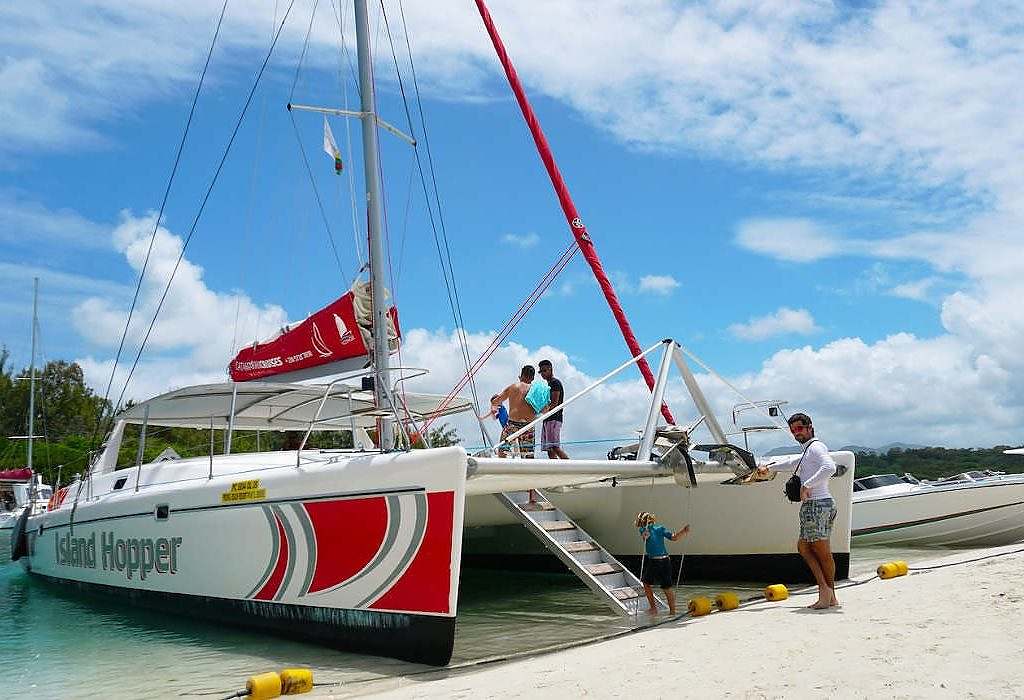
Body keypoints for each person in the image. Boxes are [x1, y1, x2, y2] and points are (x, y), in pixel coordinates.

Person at [757, 412, 839, 609]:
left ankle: (826, 592)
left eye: (799, 429)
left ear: (810, 427)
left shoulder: (816, 447)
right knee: (806, 548)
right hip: (819, 505)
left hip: (817, 505)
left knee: (821, 552)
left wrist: (807, 485)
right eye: (793, 430)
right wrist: (769, 467)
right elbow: (792, 463)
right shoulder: (808, 450)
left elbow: (830, 467)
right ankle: (829, 593)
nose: (796, 433)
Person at [635, 511, 690, 615]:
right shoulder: (660, 528)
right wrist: (683, 531)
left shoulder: (643, 529)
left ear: (641, 521)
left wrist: (645, 534)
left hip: (654, 561)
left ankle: (653, 608)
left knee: (646, 583)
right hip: (665, 560)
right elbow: (674, 537)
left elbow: (645, 538)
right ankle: (672, 612)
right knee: (667, 587)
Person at [491, 365, 538, 458]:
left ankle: (503, 471)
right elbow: (543, 407)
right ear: (533, 377)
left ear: (521, 375)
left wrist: (493, 402)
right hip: (528, 425)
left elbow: (496, 401)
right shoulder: (535, 389)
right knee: (528, 455)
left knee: (502, 451)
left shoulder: (513, 387)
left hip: (512, 424)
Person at [538, 359, 569, 459]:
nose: (542, 373)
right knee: (549, 449)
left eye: (544, 370)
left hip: (554, 418)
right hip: (547, 418)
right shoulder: (548, 384)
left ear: (550, 369)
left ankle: (569, 467)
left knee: (554, 447)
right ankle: (558, 471)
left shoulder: (555, 383)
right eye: (541, 371)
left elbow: (554, 404)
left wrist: (541, 413)